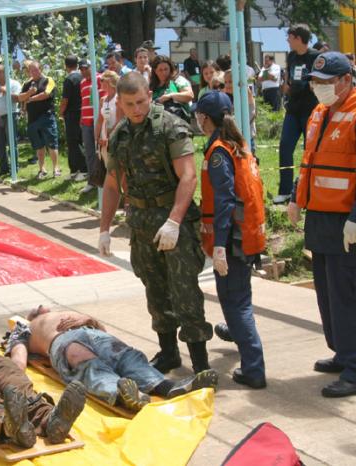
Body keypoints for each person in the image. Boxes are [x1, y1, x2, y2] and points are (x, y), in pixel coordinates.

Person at [288, 52, 356, 398]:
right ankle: (343, 353)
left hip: (351, 222)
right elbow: (311, 161)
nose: (318, 88)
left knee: (352, 295)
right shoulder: (321, 112)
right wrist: (295, 196)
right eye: (315, 82)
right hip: (321, 218)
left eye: (325, 82)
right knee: (329, 294)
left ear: (346, 80)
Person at [99, 72, 212, 375]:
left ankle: (200, 363)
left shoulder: (171, 127)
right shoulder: (121, 135)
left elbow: (187, 176)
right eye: (129, 104)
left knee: (184, 291)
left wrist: (174, 221)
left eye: (140, 101)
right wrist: (104, 230)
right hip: (141, 224)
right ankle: (169, 352)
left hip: (174, 221)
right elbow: (112, 184)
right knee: (155, 291)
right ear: (119, 103)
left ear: (149, 95)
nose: (137, 109)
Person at [4, 307, 218, 412]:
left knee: (124, 355)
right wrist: (15, 388)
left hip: (92, 332)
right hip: (61, 342)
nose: (41, 307)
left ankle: (167, 386)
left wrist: (90, 320)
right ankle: (123, 394)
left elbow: (104, 330)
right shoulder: (24, 328)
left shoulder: (63, 311)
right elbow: (18, 360)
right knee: (84, 360)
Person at [193, 91, 267, 389]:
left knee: (236, 304)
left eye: (198, 115)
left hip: (233, 241)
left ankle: (254, 368)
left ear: (205, 119)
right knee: (240, 300)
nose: (196, 119)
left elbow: (224, 202)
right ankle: (239, 337)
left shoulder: (219, 153)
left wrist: (220, 247)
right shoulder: (239, 147)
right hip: (246, 238)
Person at [275, 24, 320, 204]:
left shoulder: (316, 57)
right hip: (293, 110)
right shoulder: (292, 56)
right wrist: (286, 87)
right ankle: (285, 191)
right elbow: (288, 79)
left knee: (309, 151)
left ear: (298, 38)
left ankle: (309, 189)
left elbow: (319, 81)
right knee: (285, 146)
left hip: (311, 110)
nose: (287, 40)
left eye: (289, 37)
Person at [18, 61, 61, 179]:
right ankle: (42, 169)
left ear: (40, 69)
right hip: (32, 119)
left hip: (47, 117)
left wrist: (30, 98)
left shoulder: (48, 80)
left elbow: (46, 94)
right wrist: (29, 92)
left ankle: (56, 168)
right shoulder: (27, 84)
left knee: (52, 143)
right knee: (38, 146)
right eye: (31, 70)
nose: (33, 72)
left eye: (35, 70)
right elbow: (20, 97)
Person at [78, 59, 105, 193]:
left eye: (85, 68)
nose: (83, 71)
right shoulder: (82, 82)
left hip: (98, 122)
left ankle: (104, 181)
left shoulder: (100, 79)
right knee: (89, 153)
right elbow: (83, 102)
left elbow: (104, 99)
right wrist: (81, 118)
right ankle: (92, 181)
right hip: (86, 123)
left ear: (92, 66)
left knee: (101, 153)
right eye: (81, 69)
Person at [59, 56, 87, 182]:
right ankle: (75, 170)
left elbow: (65, 100)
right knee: (78, 141)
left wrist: (60, 112)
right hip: (82, 112)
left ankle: (83, 170)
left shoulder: (69, 79)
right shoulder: (83, 77)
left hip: (72, 114)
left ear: (66, 66)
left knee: (74, 142)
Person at [0, 65, 20, 177]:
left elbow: (18, 98)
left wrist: (6, 91)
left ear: (5, 72)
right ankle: (3, 168)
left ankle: (14, 168)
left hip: (10, 116)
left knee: (12, 143)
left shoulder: (14, 84)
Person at [150, 55, 194, 124]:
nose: (164, 72)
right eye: (160, 70)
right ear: (155, 71)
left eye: (166, 69)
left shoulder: (178, 80)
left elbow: (190, 95)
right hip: (157, 123)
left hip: (179, 123)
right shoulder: (151, 86)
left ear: (170, 68)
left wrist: (170, 96)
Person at [223, 71, 257, 153]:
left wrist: (242, 83)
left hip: (247, 138)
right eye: (225, 82)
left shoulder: (246, 98)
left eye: (230, 82)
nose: (227, 85)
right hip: (234, 139)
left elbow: (247, 91)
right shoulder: (228, 99)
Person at [95, 70, 122, 167]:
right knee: (107, 165)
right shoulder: (103, 99)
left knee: (117, 166)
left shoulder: (119, 98)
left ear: (109, 81)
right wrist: (97, 138)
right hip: (104, 135)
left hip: (116, 135)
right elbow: (99, 120)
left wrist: (109, 137)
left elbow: (120, 120)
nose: (100, 81)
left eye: (102, 79)